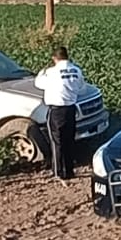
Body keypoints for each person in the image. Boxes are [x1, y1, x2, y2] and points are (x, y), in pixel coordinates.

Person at [34, 45, 87, 181]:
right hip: (71, 110)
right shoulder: (76, 70)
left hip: (56, 111)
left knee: (56, 142)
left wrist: (42, 72)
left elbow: (38, 84)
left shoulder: (51, 72)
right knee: (69, 141)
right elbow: (82, 89)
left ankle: (58, 172)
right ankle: (69, 171)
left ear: (54, 58)